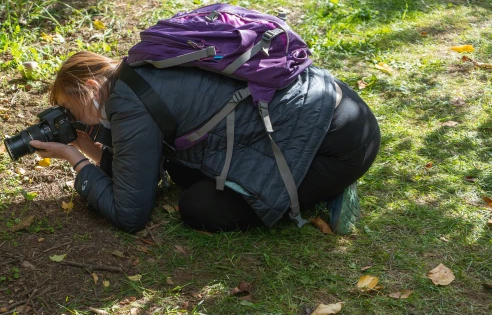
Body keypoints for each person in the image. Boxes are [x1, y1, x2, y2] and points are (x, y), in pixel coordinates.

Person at [30, 51, 380, 234]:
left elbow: (129, 214)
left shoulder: (128, 104)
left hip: (334, 146)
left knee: (199, 207)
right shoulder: (136, 71)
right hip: (334, 106)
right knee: (181, 170)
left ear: (90, 90)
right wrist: (91, 148)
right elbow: (139, 169)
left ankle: (329, 188)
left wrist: (75, 159)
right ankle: (315, 179)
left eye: (68, 108)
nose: (70, 117)